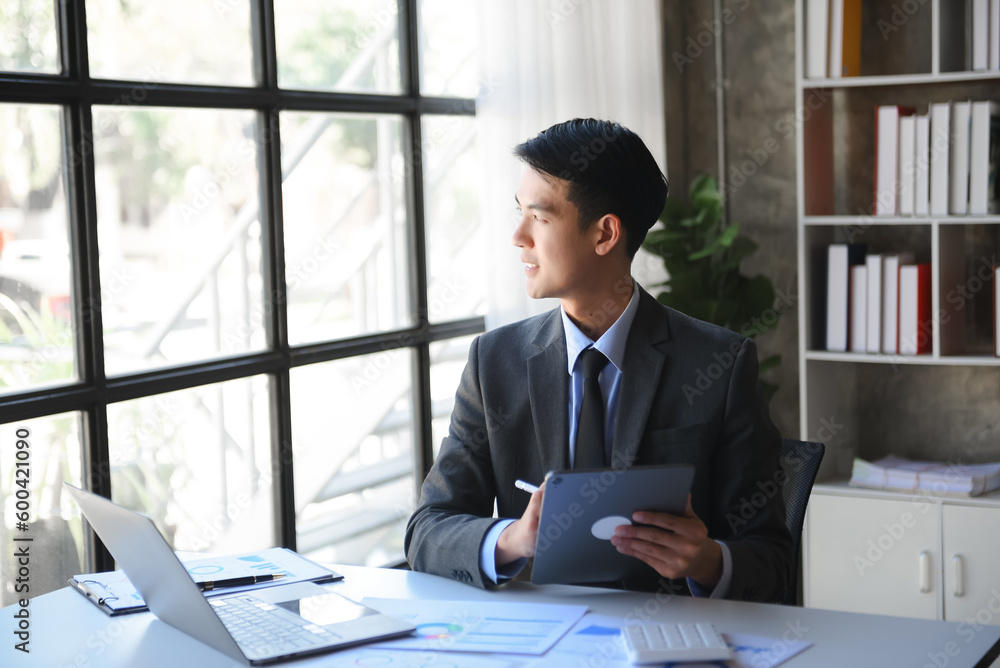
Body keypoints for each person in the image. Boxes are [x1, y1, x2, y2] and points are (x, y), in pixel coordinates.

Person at [404, 118, 791, 602]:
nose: (518, 236)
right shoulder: (494, 362)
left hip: (664, 638)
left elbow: (774, 562)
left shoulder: (719, 365)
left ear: (605, 233)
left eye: (540, 217)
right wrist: (512, 540)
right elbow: (427, 531)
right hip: (535, 640)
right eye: (518, 213)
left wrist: (705, 558)